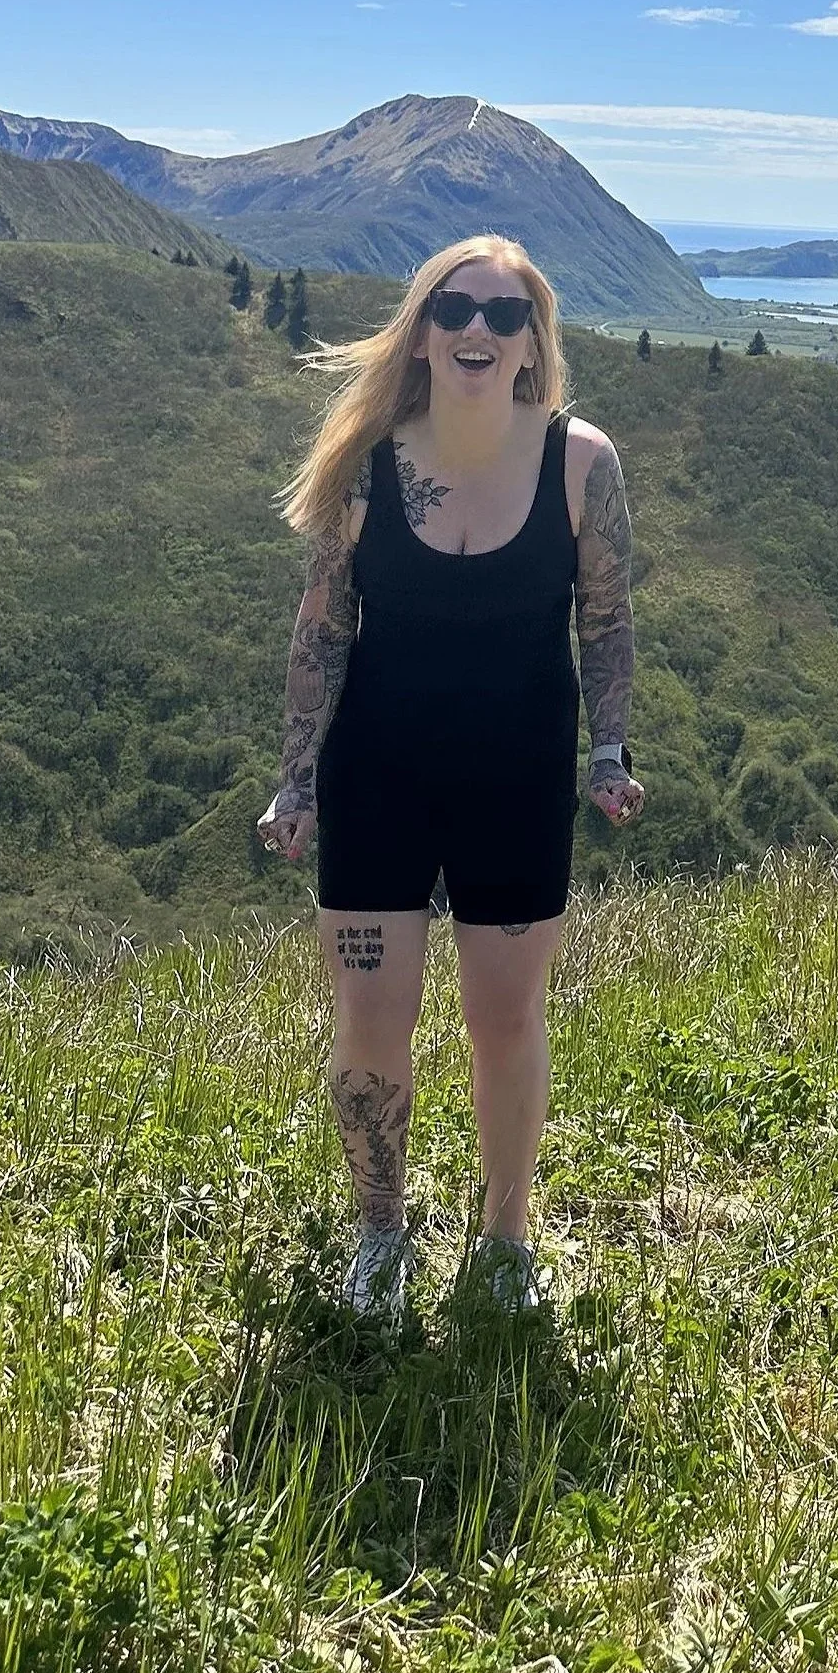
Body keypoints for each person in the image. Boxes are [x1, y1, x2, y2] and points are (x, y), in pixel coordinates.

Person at [257, 234, 645, 1319]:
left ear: (533, 342)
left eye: (505, 314)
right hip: (377, 775)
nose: (480, 330)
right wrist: (297, 780)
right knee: (370, 1018)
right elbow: (321, 628)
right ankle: (380, 1237)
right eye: (456, 309)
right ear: (422, 333)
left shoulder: (580, 462)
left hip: (516, 781)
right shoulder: (368, 463)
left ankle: (505, 1243)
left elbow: (606, 623)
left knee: (504, 1020)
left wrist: (608, 754)